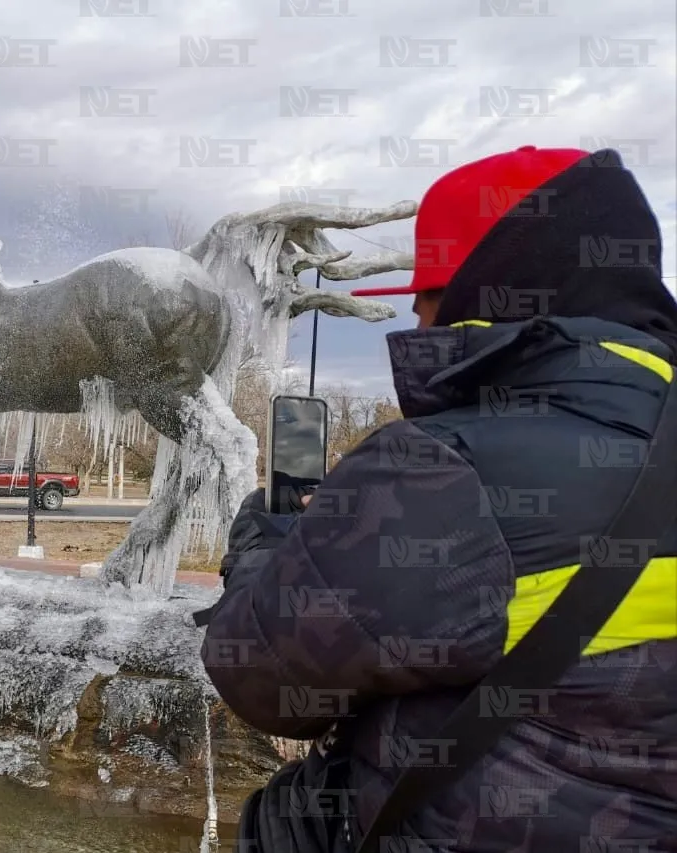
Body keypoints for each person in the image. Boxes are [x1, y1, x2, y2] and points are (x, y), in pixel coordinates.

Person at [201, 145, 677, 852]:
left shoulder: (439, 474)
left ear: (482, 294)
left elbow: (257, 673)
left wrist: (267, 543)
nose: (418, 326)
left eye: (424, 300)